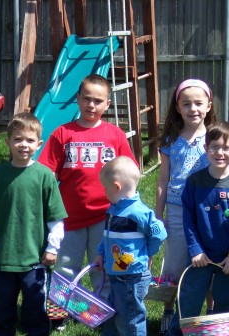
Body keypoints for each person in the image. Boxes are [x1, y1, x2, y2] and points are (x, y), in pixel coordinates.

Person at [37, 74, 137, 322]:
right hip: (69, 216)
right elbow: (47, 171)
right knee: (66, 267)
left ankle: (97, 313)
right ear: (78, 100)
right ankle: (59, 315)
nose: (92, 105)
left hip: (105, 217)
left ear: (108, 105)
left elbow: (130, 171)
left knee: (100, 268)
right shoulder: (63, 133)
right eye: (87, 99)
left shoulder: (115, 135)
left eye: (98, 100)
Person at [0, 112, 68, 336]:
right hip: (4, 256)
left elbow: (55, 217)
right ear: (8, 142)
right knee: (1, 308)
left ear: (39, 144)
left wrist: (52, 247)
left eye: (29, 140)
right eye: (18, 139)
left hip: (35, 258)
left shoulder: (45, 176)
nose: (23, 145)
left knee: (36, 307)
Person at [166, 121, 229, 336]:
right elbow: (189, 221)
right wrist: (195, 250)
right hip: (200, 257)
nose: (219, 152)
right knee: (188, 300)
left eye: (226, 148)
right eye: (214, 147)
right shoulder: (195, 182)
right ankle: (178, 333)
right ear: (206, 149)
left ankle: (223, 333)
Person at [155, 79, 216, 334]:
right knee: (175, 262)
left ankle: (212, 313)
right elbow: (163, 179)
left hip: (208, 209)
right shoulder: (170, 140)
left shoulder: (214, 138)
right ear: (178, 107)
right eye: (186, 103)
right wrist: (158, 215)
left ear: (209, 106)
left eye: (199, 103)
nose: (193, 108)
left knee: (210, 260)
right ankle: (170, 309)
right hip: (177, 210)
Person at [93, 156, 167, 336]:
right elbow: (108, 236)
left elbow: (159, 232)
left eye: (105, 188)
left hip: (132, 277)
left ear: (116, 187)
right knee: (114, 312)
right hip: (117, 273)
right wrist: (101, 253)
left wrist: (148, 252)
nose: (104, 192)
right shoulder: (113, 209)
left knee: (131, 318)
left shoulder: (137, 211)